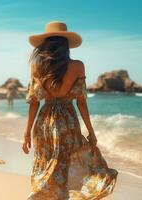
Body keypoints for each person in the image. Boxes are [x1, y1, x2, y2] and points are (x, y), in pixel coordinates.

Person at [23, 21, 118, 200]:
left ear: (46, 44)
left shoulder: (37, 66)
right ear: (66, 45)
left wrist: (27, 133)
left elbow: (34, 102)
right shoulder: (77, 66)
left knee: (46, 165)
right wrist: (90, 130)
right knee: (64, 165)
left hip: (44, 122)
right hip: (68, 120)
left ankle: (40, 195)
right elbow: (81, 102)